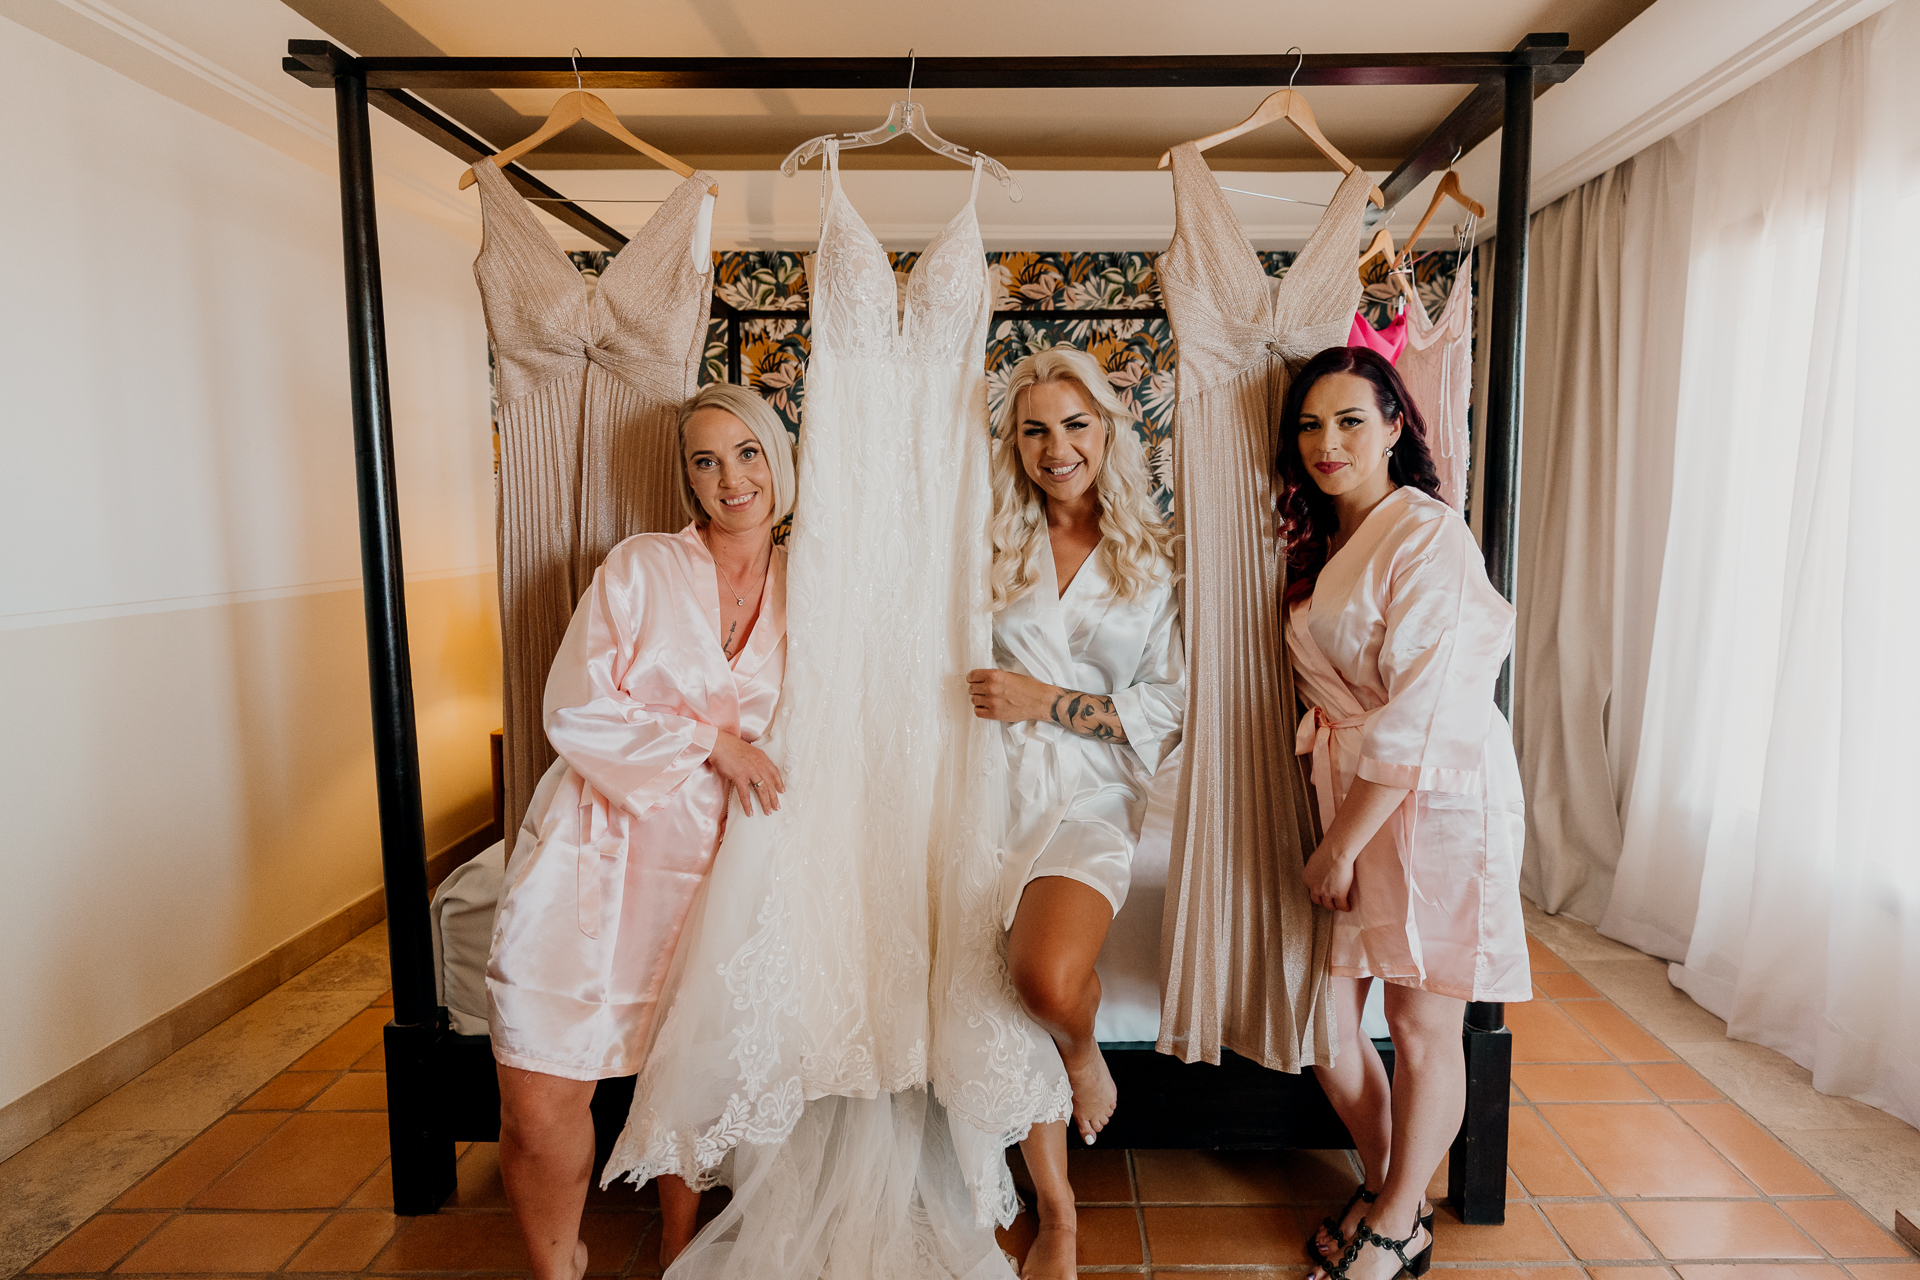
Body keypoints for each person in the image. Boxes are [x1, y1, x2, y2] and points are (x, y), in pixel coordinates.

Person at [484, 382, 795, 1280]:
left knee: (693, 1073)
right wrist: (712, 742)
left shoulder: (815, 587)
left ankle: (678, 1238)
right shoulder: (639, 566)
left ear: (779, 457)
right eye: (705, 459)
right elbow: (574, 706)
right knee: (540, 1103)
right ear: (687, 478)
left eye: (746, 452)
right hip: (597, 858)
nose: (730, 478)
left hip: (721, 868)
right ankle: (556, 1266)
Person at [1276, 346, 1529, 1280]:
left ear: (1395, 427)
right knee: (1328, 1030)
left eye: (1349, 421)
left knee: (1422, 1029)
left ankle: (1391, 1227)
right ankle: (1398, 1191)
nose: (1327, 442)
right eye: (1309, 424)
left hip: (1433, 803)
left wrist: (1340, 845)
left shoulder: (1428, 537)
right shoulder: (1324, 541)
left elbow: (1426, 706)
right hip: (1355, 787)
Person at [967, 347, 1184, 1280]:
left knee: (1049, 980)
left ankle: (1086, 1050)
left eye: (1076, 425)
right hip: (988, 784)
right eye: (1035, 430)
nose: (1057, 448)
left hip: (1096, 788)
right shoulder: (981, 546)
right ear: (1013, 445)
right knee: (998, 983)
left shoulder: (1161, 558)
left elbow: (1168, 707)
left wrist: (1046, 701)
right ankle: (1057, 1213)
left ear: (1108, 430)